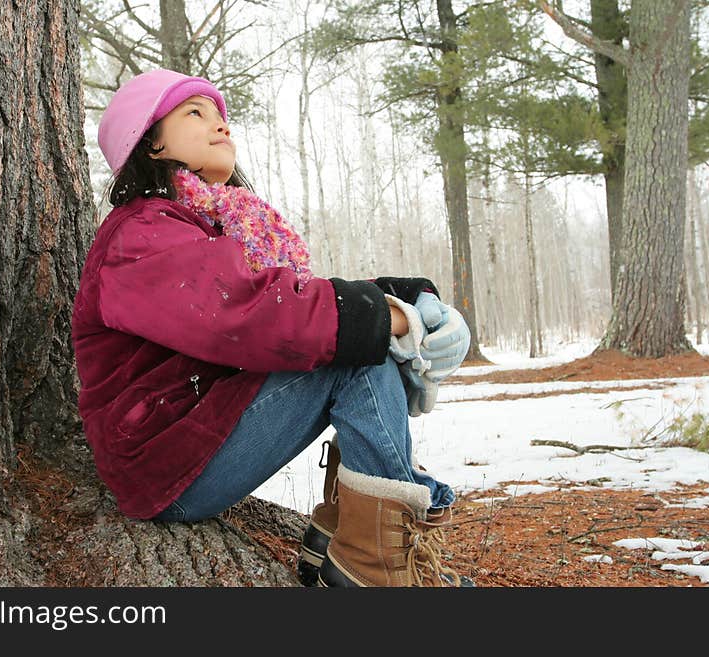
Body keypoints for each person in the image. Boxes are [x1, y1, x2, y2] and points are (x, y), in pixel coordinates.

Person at [71, 68, 472, 587]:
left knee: (353, 338)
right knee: (355, 352)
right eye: (195, 113)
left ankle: (345, 540)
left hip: (190, 438)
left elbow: (291, 296)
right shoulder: (143, 232)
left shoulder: (211, 227)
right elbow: (254, 312)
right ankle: (374, 570)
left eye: (221, 117)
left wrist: (409, 296)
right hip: (163, 460)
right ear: (149, 144)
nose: (221, 127)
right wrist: (388, 316)